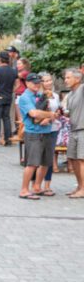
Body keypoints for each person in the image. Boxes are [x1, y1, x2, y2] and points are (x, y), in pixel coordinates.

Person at [18, 73, 57, 200]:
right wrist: (50, 114)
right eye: (34, 82)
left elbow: (54, 111)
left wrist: (47, 116)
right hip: (33, 133)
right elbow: (34, 113)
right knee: (32, 163)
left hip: (47, 131)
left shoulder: (40, 95)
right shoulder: (25, 97)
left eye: (38, 82)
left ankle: (37, 187)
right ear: (27, 83)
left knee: (46, 162)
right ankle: (24, 190)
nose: (37, 84)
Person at [38, 72, 63, 197]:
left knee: (49, 158)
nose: (48, 83)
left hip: (52, 128)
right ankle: (35, 185)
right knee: (37, 158)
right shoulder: (37, 95)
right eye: (45, 81)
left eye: (49, 80)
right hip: (38, 130)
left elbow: (58, 111)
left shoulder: (55, 96)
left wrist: (52, 117)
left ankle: (47, 184)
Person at [0, 51, 18, 146]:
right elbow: (17, 84)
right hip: (8, 97)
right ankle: (8, 140)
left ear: (0, 59)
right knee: (6, 118)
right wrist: (11, 90)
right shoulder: (13, 71)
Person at [63, 68, 84, 198]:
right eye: (65, 78)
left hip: (83, 129)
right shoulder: (70, 95)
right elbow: (69, 112)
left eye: (68, 77)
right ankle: (79, 186)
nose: (66, 80)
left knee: (82, 160)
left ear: (78, 79)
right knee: (73, 159)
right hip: (73, 129)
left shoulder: (82, 89)